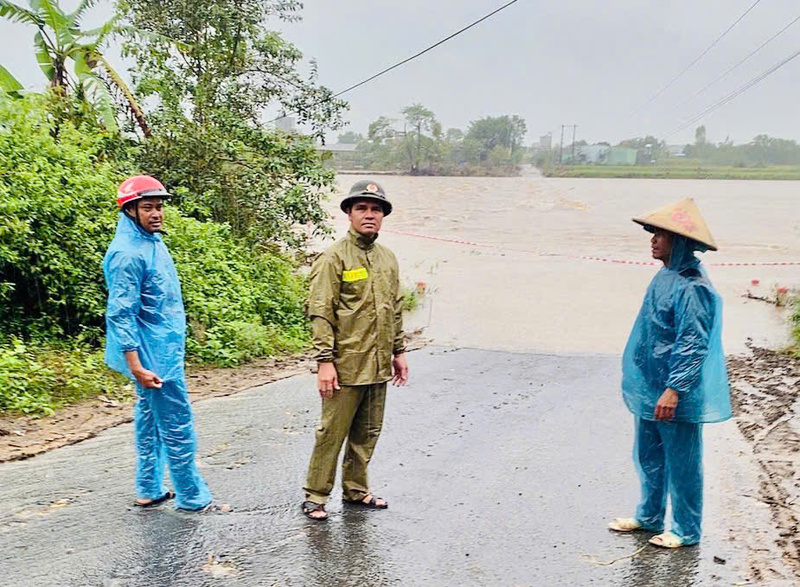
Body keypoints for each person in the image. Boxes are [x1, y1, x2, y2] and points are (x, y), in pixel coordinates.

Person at [609, 198, 732, 548]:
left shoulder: (694, 287)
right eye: (653, 233)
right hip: (651, 385)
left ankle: (686, 529)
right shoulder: (665, 275)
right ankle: (649, 517)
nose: (653, 240)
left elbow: (693, 343)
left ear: (679, 241)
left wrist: (674, 389)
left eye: (660, 234)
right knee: (649, 454)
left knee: (682, 462)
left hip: (677, 391)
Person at [103, 175, 217, 512]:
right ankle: (193, 497)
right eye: (148, 206)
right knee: (177, 423)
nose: (157, 213)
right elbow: (121, 314)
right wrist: (136, 365)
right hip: (153, 356)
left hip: (164, 347)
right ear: (130, 210)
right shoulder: (127, 254)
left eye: (159, 206)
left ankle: (148, 487)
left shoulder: (151, 242)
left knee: (150, 420)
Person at [301, 180, 410, 521]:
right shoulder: (334, 258)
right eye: (361, 208)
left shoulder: (388, 259)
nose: (369, 215)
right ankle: (316, 496)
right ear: (349, 213)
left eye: (375, 209)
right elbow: (321, 310)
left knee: (367, 432)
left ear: (383, 216)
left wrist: (398, 351)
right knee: (331, 432)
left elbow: (395, 307)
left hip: (377, 364)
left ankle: (356, 490)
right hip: (345, 364)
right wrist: (324, 362)